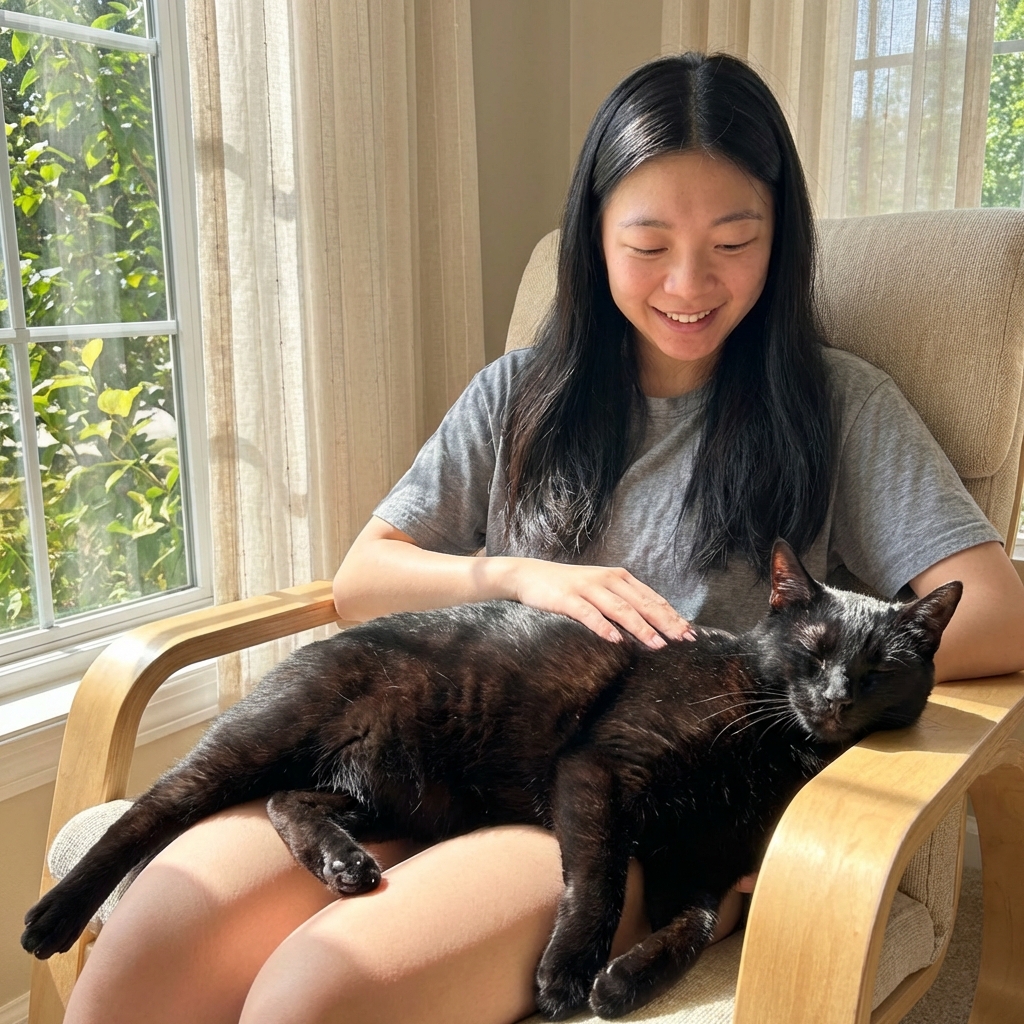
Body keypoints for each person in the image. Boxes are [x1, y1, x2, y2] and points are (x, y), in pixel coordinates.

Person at [65, 52, 1024, 1024]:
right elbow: (365, 577)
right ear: (593, 235)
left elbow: (994, 611)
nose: (688, 282)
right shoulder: (518, 394)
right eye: (648, 243)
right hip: (434, 746)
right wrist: (520, 579)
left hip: (616, 804)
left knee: (314, 993)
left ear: (780, 240)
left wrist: (789, 697)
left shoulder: (835, 406)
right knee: (149, 947)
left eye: (734, 240)